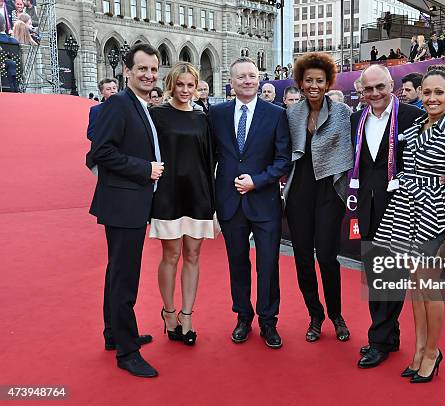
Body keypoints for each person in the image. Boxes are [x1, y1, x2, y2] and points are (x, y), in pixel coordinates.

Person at [374, 69, 445, 383]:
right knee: (416, 288)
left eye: (438, 93)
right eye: (427, 92)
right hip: (408, 211)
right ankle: (418, 349)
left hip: (435, 215)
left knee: (430, 290)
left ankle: (433, 352)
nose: (431, 99)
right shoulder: (418, 126)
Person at [88, 43, 163, 378]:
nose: (148, 75)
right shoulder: (118, 104)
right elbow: (100, 153)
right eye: (142, 69)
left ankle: (114, 333)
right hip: (123, 202)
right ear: (127, 71)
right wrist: (143, 169)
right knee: (124, 277)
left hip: (130, 201)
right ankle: (127, 352)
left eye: (153, 69)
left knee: (116, 271)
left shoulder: (138, 104)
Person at [208, 57, 291, 349]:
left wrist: (257, 180)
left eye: (252, 76)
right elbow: (209, 158)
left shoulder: (276, 114)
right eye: (241, 77)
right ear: (231, 83)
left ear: (259, 79)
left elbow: (283, 160)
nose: (247, 81)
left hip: (264, 201)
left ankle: (269, 321)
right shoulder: (215, 114)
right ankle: (243, 317)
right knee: (237, 264)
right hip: (230, 202)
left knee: (268, 266)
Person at [351, 65, 422, 369]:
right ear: (361, 92)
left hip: (402, 206)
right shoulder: (356, 119)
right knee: (375, 274)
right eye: (369, 89)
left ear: (392, 85)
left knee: (391, 276)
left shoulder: (411, 117)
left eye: (381, 86)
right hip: (367, 206)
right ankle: (389, 336)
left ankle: (378, 340)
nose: (376, 93)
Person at [283, 52, 353, 343]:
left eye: (320, 80)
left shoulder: (342, 113)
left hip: (329, 191)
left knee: (326, 257)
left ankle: (336, 315)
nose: (314, 85)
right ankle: (315, 315)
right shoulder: (291, 114)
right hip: (299, 190)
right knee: (302, 259)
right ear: (300, 82)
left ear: (328, 83)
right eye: (309, 80)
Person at [149, 62, 217, 347]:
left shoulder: (203, 118)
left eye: (191, 85)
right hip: (168, 194)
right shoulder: (157, 115)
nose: (186, 90)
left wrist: (213, 206)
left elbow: (209, 160)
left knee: (193, 255)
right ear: (171, 85)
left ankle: (187, 315)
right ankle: (169, 312)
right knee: (172, 255)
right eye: (181, 84)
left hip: (198, 194)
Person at [85, 78, 119, 171]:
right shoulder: (96, 110)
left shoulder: (127, 108)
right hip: (104, 155)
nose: (112, 91)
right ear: (102, 92)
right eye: (108, 89)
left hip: (124, 155)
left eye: (114, 88)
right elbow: (90, 134)